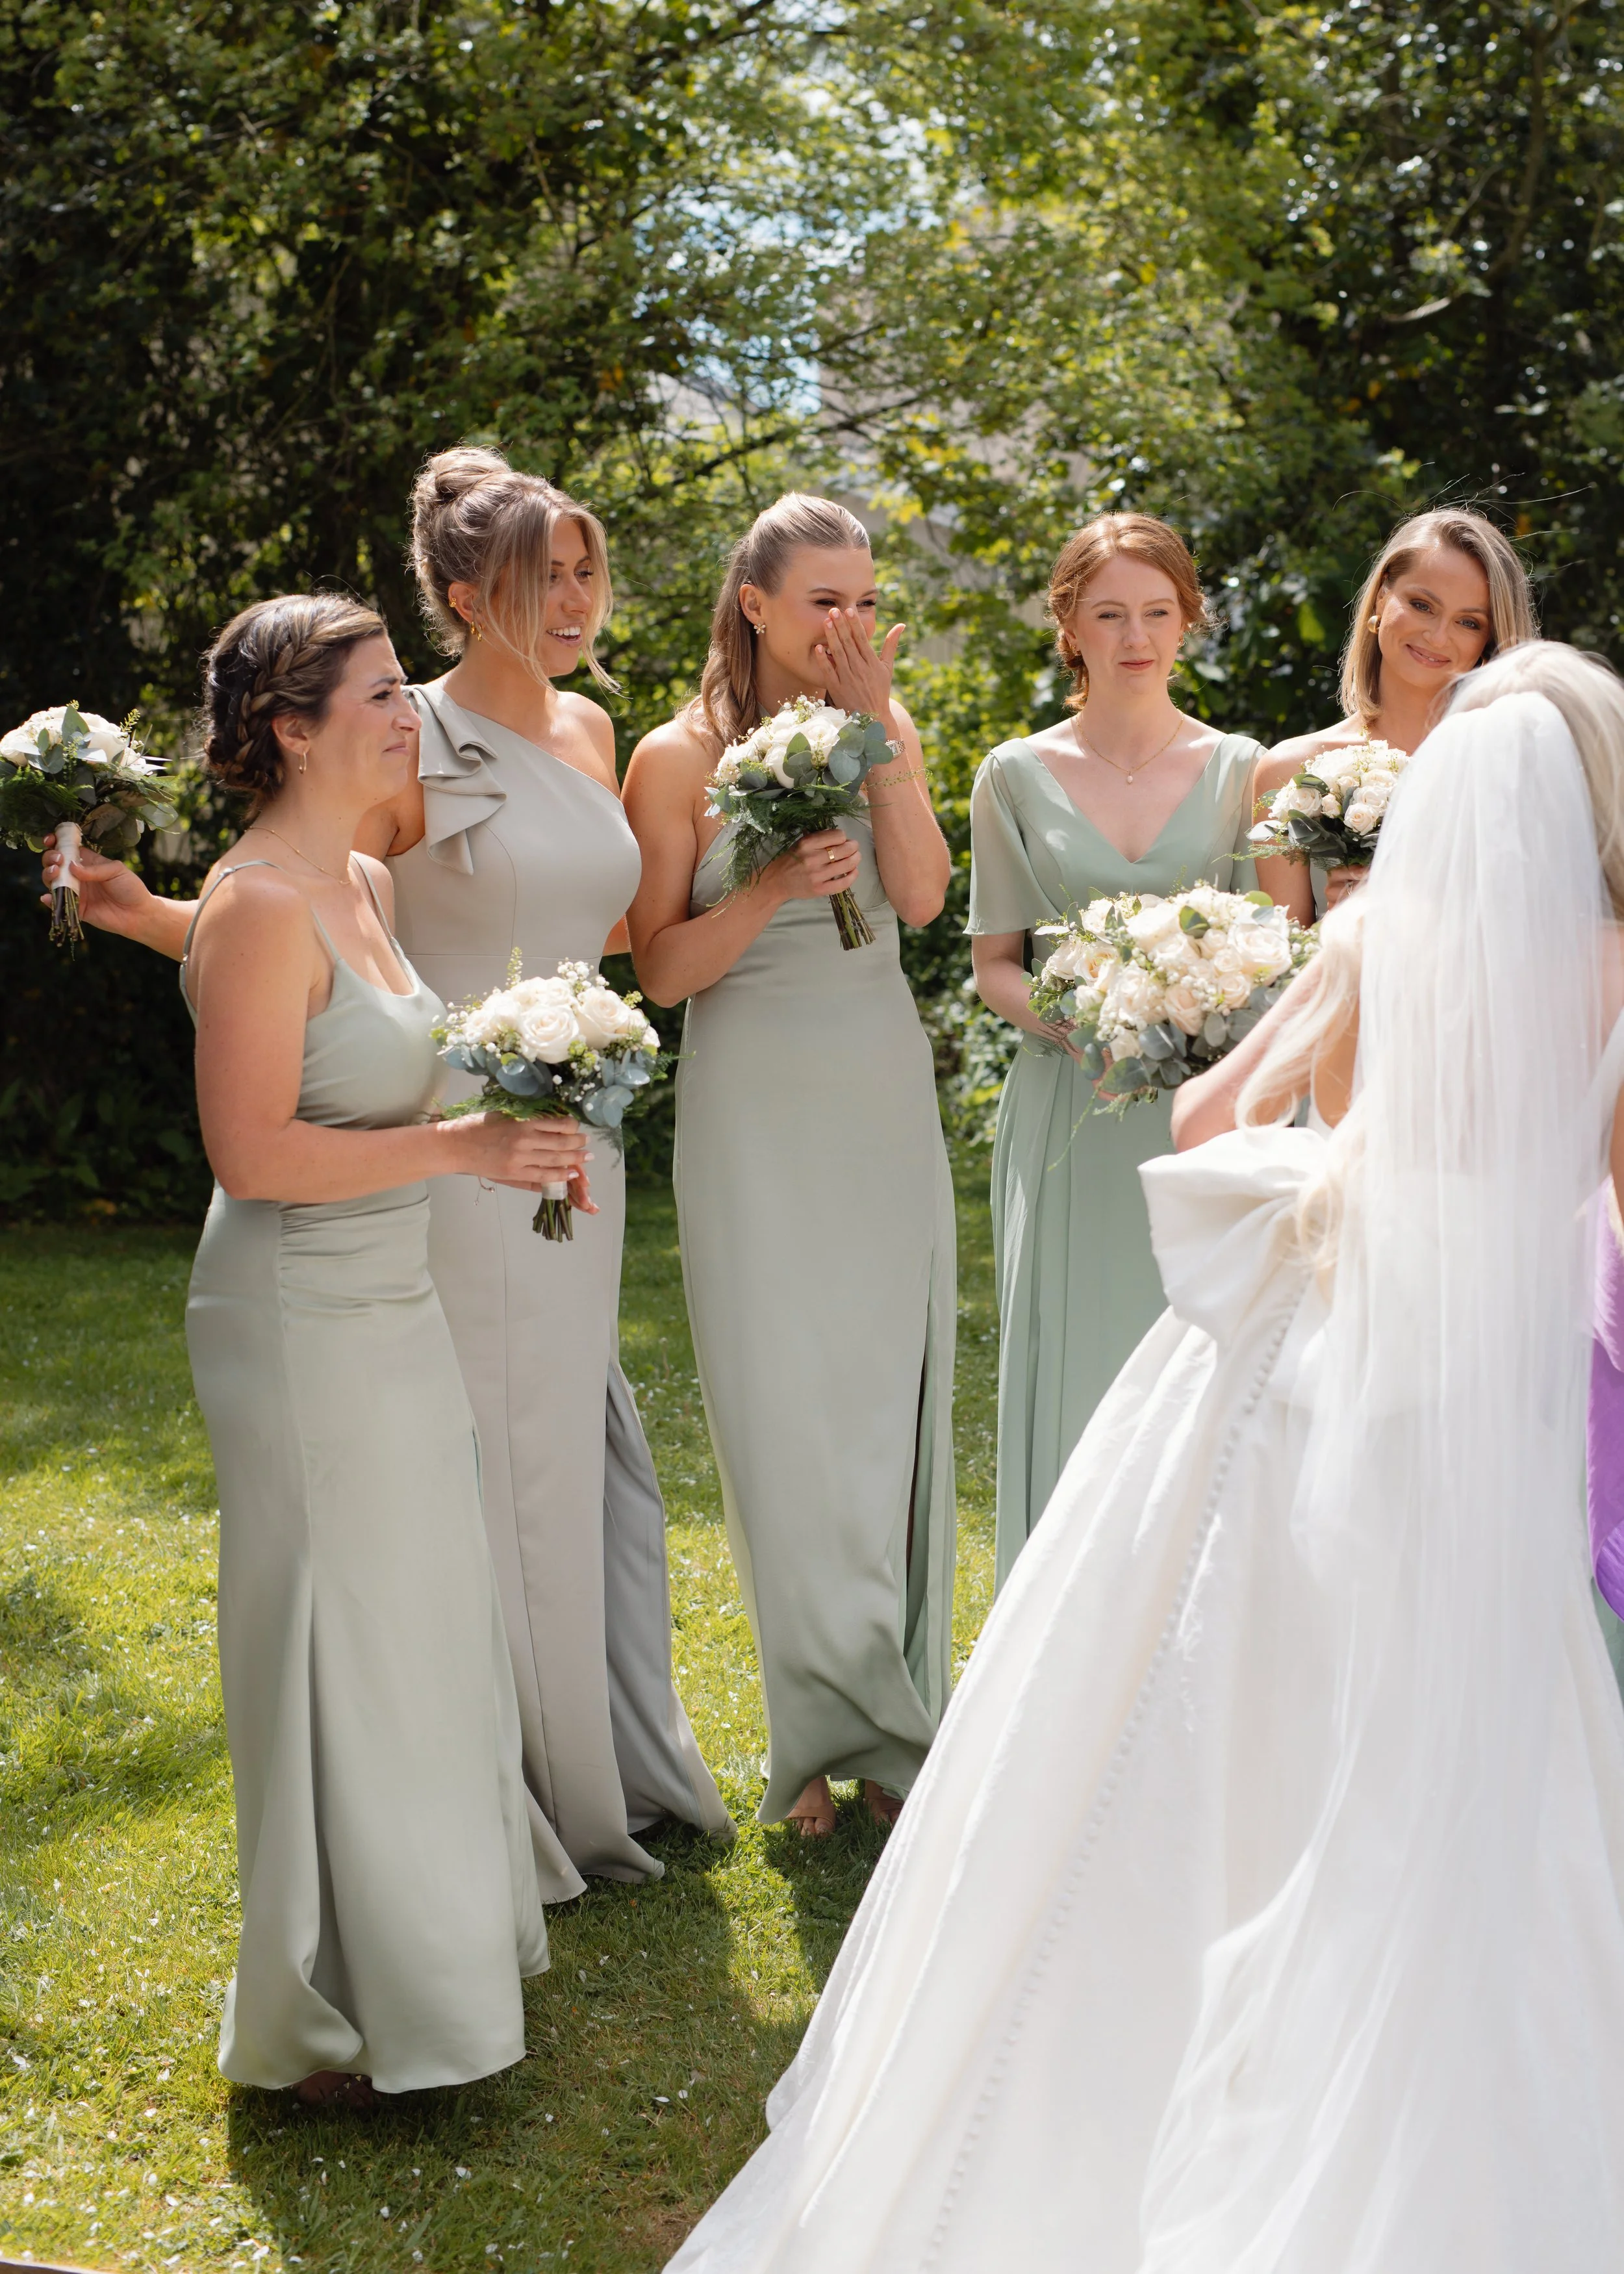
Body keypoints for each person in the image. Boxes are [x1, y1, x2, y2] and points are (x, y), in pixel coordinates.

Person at [665, 641, 1624, 2274]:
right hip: (1491, 1402)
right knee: (1467, 1731)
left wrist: (1340, 1166)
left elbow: (1201, 1129)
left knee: (1179, 1710)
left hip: (1301, 1370)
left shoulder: (1379, 932)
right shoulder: (1615, 966)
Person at [44, 446, 732, 1895]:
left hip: (564, 1116)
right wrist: (142, 913)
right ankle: (504, 1790)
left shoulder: (597, 733)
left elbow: (559, 930)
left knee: (563, 1447)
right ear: (464, 593)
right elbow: (302, 935)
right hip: (436, 1137)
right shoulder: (397, 737)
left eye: (587, 568)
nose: (575, 597)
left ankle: (586, 1754)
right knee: (486, 1454)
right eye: (545, 574)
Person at [179, 594, 589, 2106]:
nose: (408, 711)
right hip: (294, 1318)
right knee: (332, 1636)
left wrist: (523, 1107)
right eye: (376, 695)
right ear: (293, 729)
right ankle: (328, 2011)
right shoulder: (261, 905)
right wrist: (464, 1150)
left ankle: (429, 1965)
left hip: (391, 1302)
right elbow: (254, 1154)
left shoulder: (356, 874)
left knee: (416, 1627)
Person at [622, 493, 956, 1839]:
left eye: (865, 600)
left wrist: (877, 750)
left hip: (875, 1086)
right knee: (779, 1415)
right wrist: (761, 887)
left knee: (880, 1410)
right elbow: (656, 970)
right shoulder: (669, 754)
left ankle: (891, 1735)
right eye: (825, 601)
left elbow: (925, 899)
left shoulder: (888, 721)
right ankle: (807, 1741)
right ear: (754, 605)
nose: (850, 625)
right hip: (750, 1098)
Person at [967, 511, 1270, 1588]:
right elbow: (995, 960)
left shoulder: (1244, 771)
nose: (1136, 636)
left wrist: (1195, 1021)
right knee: (1078, 1381)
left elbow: (1270, 948)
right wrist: (1076, 1023)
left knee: (1198, 1375)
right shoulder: (1012, 773)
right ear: (1070, 626)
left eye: (1156, 611)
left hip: (1203, 1114)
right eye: (1110, 614)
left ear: (1188, 618)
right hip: (1068, 1113)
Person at [1255, 504, 1538, 916]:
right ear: (1383, 595)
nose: (1437, 636)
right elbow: (1279, 969)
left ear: (1489, 643)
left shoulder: (1517, 768)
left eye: (1469, 623)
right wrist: (1341, 923)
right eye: (1423, 604)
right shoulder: (1290, 771)